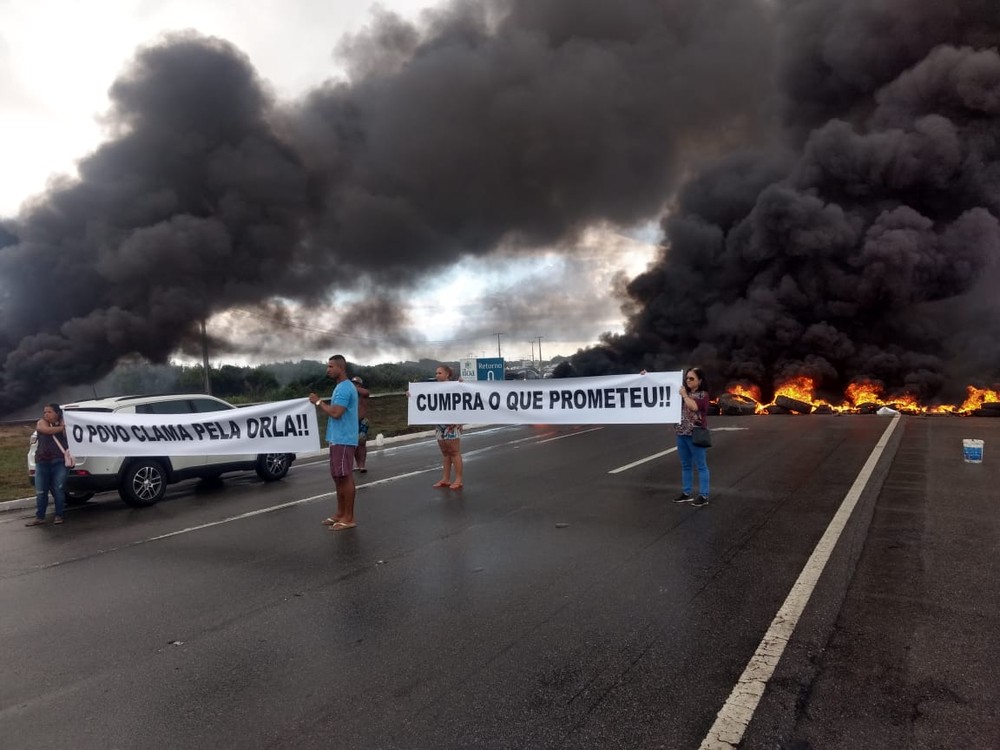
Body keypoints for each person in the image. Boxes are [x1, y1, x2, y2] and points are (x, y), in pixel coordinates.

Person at [309, 355, 359, 530]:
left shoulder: (346, 388)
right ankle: (339, 513)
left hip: (344, 439)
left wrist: (319, 402)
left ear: (340, 368)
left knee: (345, 477)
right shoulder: (339, 387)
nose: (327, 370)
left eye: (330, 366)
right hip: (336, 438)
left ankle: (349, 517)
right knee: (337, 477)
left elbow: (336, 412)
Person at [674, 367, 711, 507]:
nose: (688, 380)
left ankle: (704, 495)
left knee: (701, 465)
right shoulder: (683, 392)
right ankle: (686, 493)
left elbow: (694, 407)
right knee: (685, 465)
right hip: (681, 433)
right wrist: (645, 377)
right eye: (687, 378)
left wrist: (684, 395)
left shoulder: (703, 395)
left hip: (696, 433)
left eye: (692, 378)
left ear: (700, 381)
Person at [27, 403, 69, 526]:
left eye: (49, 412)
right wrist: (62, 428)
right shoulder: (42, 422)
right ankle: (40, 517)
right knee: (40, 491)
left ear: (57, 413)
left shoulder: (65, 422)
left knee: (58, 489)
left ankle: (59, 515)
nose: (46, 414)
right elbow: (45, 430)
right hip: (42, 461)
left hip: (59, 461)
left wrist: (64, 426)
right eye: (45, 412)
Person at [432, 364, 464, 489]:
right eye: (436, 373)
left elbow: (463, 400)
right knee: (445, 453)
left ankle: (458, 479)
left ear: (447, 374)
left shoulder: (455, 386)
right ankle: (445, 478)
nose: (437, 375)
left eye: (439, 373)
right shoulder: (432, 388)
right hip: (440, 424)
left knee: (454, 452)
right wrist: (411, 394)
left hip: (452, 423)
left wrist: (460, 420)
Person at [351, 376, 371, 473]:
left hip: (362, 420)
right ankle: (357, 464)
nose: (354, 385)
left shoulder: (363, 393)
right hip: (352, 422)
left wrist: (355, 388)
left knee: (361, 442)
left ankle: (362, 465)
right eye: (353, 383)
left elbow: (367, 393)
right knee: (354, 444)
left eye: (356, 383)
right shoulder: (350, 394)